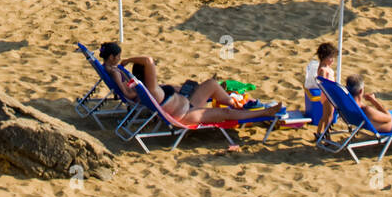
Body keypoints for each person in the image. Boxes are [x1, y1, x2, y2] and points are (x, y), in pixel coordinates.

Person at [98, 44, 283, 139]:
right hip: (187, 115)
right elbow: (148, 60)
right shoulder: (151, 89)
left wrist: (121, 69)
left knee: (211, 83)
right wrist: (127, 61)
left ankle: (237, 102)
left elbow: (130, 90)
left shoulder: (143, 90)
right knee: (227, 113)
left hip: (189, 104)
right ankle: (263, 112)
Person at [304, 42, 337, 138]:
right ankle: (327, 135)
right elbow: (322, 83)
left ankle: (319, 133)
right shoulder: (322, 69)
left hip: (327, 95)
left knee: (324, 115)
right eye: (331, 57)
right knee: (329, 116)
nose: (333, 60)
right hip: (327, 96)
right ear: (324, 57)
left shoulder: (326, 67)